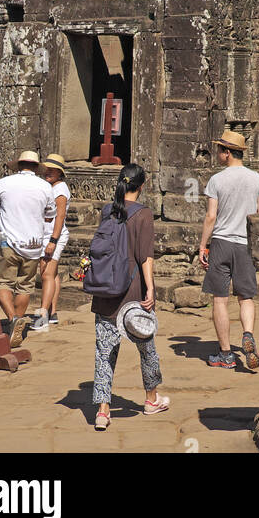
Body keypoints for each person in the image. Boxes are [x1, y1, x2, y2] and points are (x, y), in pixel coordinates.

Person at [89, 163, 169, 431]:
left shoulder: (107, 210)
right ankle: (151, 399)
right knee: (147, 348)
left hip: (105, 292)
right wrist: (151, 289)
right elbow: (145, 256)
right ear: (142, 185)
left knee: (104, 352)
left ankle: (102, 411)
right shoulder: (144, 214)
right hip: (133, 293)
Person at [199, 130, 259, 370]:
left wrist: (202, 245)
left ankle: (226, 353)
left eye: (219, 150)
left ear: (227, 153)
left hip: (221, 242)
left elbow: (210, 217)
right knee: (246, 297)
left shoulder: (217, 180)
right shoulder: (256, 179)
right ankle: (247, 333)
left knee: (220, 299)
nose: (217, 153)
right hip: (245, 244)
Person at [0, 150, 56, 346]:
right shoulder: (45, 187)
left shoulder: (4, 183)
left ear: (18, 166)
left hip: (9, 242)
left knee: (2, 283)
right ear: (36, 168)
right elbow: (50, 216)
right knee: (25, 286)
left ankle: (13, 319)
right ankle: (15, 325)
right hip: (34, 245)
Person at [29, 154, 70, 333]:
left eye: (53, 170)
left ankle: (42, 316)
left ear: (60, 173)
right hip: (48, 234)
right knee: (51, 275)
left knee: (45, 275)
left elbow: (60, 216)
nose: (48, 172)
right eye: (46, 169)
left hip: (54, 235)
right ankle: (52, 313)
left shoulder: (60, 189)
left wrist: (53, 240)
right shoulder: (50, 187)